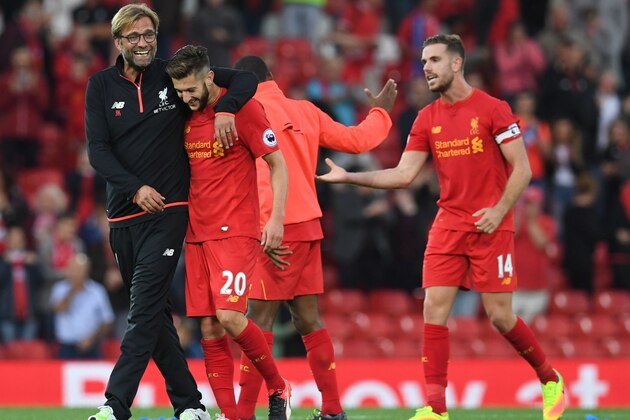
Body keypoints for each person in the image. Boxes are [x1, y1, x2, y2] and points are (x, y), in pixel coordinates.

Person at [316, 34, 566, 420]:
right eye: (423, 60)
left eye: (434, 60)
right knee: (433, 309)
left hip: (491, 225)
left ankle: (550, 380)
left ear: (456, 63)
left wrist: (499, 212)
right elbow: (403, 174)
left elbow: (524, 168)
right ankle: (435, 408)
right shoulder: (426, 117)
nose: (426, 68)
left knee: (500, 316)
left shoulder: (493, 109)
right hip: (448, 224)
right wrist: (349, 176)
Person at [84, 4, 258, 420]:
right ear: (119, 42)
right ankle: (190, 406)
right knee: (156, 316)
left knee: (142, 309)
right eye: (134, 37)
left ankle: (115, 404)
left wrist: (228, 109)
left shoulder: (171, 74)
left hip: (169, 211)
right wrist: (134, 188)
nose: (143, 43)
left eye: (149, 35)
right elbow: (97, 152)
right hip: (122, 217)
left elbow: (246, 79)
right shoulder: (100, 86)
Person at [233, 55, 397, 420]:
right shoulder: (305, 110)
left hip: (273, 228)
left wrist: (264, 229)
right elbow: (357, 141)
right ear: (273, 76)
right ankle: (334, 410)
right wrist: (381, 114)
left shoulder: (246, 116)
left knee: (256, 322)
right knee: (308, 319)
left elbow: (263, 178)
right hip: (308, 226)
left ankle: (242, 414)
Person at [165, 45, 291, 420]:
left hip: (235, 230)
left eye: (191, 89)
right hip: (197, 234)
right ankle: (234, 415)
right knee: (208, 325)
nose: (185, 98)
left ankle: (280, 387)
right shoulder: (186, 115)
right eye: (179, 91)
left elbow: (277, 164)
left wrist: (276, 219)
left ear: (209, 78)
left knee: (230, 316)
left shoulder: (243, 110)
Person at [50, 253, 114, 359]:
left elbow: (108, 321)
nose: (77, 273)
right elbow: (59, 309)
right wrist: (73, 290)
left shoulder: (97, 291)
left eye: (80, 270)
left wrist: (92, 338)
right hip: (66, 347)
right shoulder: (59, 289)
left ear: (87, 271)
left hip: (92, 345)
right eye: (74, 269)